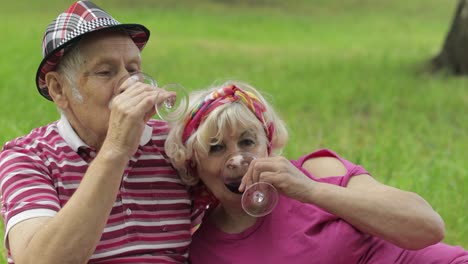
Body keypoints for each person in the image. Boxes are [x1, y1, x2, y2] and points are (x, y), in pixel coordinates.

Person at [164, 81, 468, 263]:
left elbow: (428, 227)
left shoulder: (316, 170)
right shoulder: (205, 250)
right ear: (195, 165)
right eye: (216, 148)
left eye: (247, 141)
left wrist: (311, 191)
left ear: (267, 145)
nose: (237, 158)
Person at [0, 1, 198, 263]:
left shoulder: (174, 143)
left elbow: (241, 202)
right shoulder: (28, 157)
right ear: (59, 89)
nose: (129, 84)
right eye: (106, 72)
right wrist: (116, 149)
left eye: (133, 69)